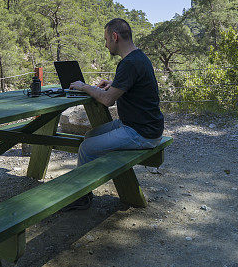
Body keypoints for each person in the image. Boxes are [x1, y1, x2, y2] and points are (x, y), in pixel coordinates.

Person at [63, 18, 164, 210]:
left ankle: (81, 196)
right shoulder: (139, 57)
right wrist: (114, 84)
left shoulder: (129, 64)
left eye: (106, 39)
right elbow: (129, 86)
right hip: (143, 126)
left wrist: (84, 87)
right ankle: (88, 184)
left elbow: (108, 100)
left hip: (142, 132)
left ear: (115, 37)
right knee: (90, 135)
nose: (106, 44)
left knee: (87, 147)